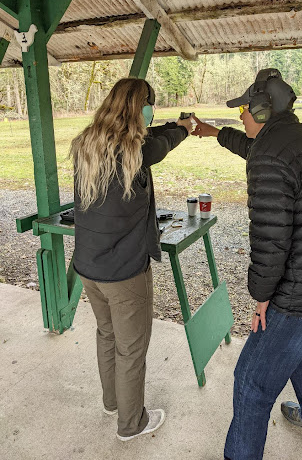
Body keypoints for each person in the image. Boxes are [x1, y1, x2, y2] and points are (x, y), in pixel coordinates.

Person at [192, 68, 302, 460]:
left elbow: (270, 240)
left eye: (243, 110)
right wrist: (213, 133)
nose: (240, 117)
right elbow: (256, 147)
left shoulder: (269, 154)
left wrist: (261, 298)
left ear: (263, 111)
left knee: (251, 383)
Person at [70, 78, 193, 442]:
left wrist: (173, 125)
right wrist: (184, 128)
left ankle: (112, 402)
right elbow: (160, 143)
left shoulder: (86, 142)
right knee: (131, 349)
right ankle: (131, 423)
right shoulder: (136, 151)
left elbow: (150, 134)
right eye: (150, 106)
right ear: (141, 109)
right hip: (123, 273)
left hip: (89, 268)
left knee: (106, 335)